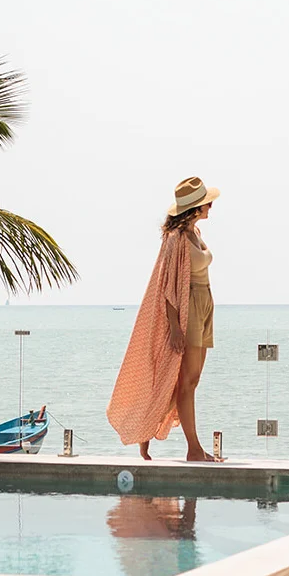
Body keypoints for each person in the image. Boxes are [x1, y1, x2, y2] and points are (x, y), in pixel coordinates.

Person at [107, 176, 223, 462]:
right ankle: (193, 449)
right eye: (207, 202)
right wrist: (174, 327)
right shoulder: (176, 240)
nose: (211, 206)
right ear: (195, 207)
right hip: (189, 309)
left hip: (204, 305)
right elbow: (167, 287)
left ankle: (156, 434)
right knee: (184, 381)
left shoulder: (194, 233)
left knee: (191, 380)